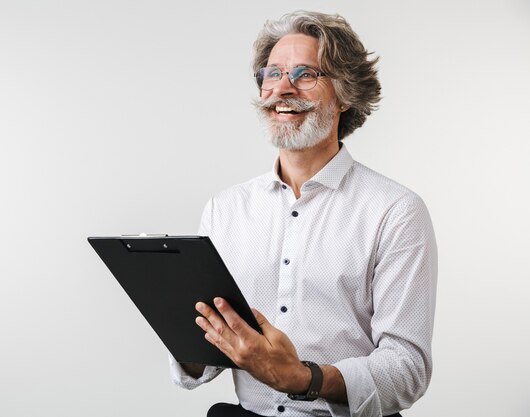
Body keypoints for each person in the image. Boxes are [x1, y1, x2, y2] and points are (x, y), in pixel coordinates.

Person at [169, 10, 437, 417]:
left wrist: (303, 378)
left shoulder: (395, 211)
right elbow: (202, 361)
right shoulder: (225, 209)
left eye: (305, 74)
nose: (282, 89)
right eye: (272, 73)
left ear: (345, 94)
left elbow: (407, 369)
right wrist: (186, 335)